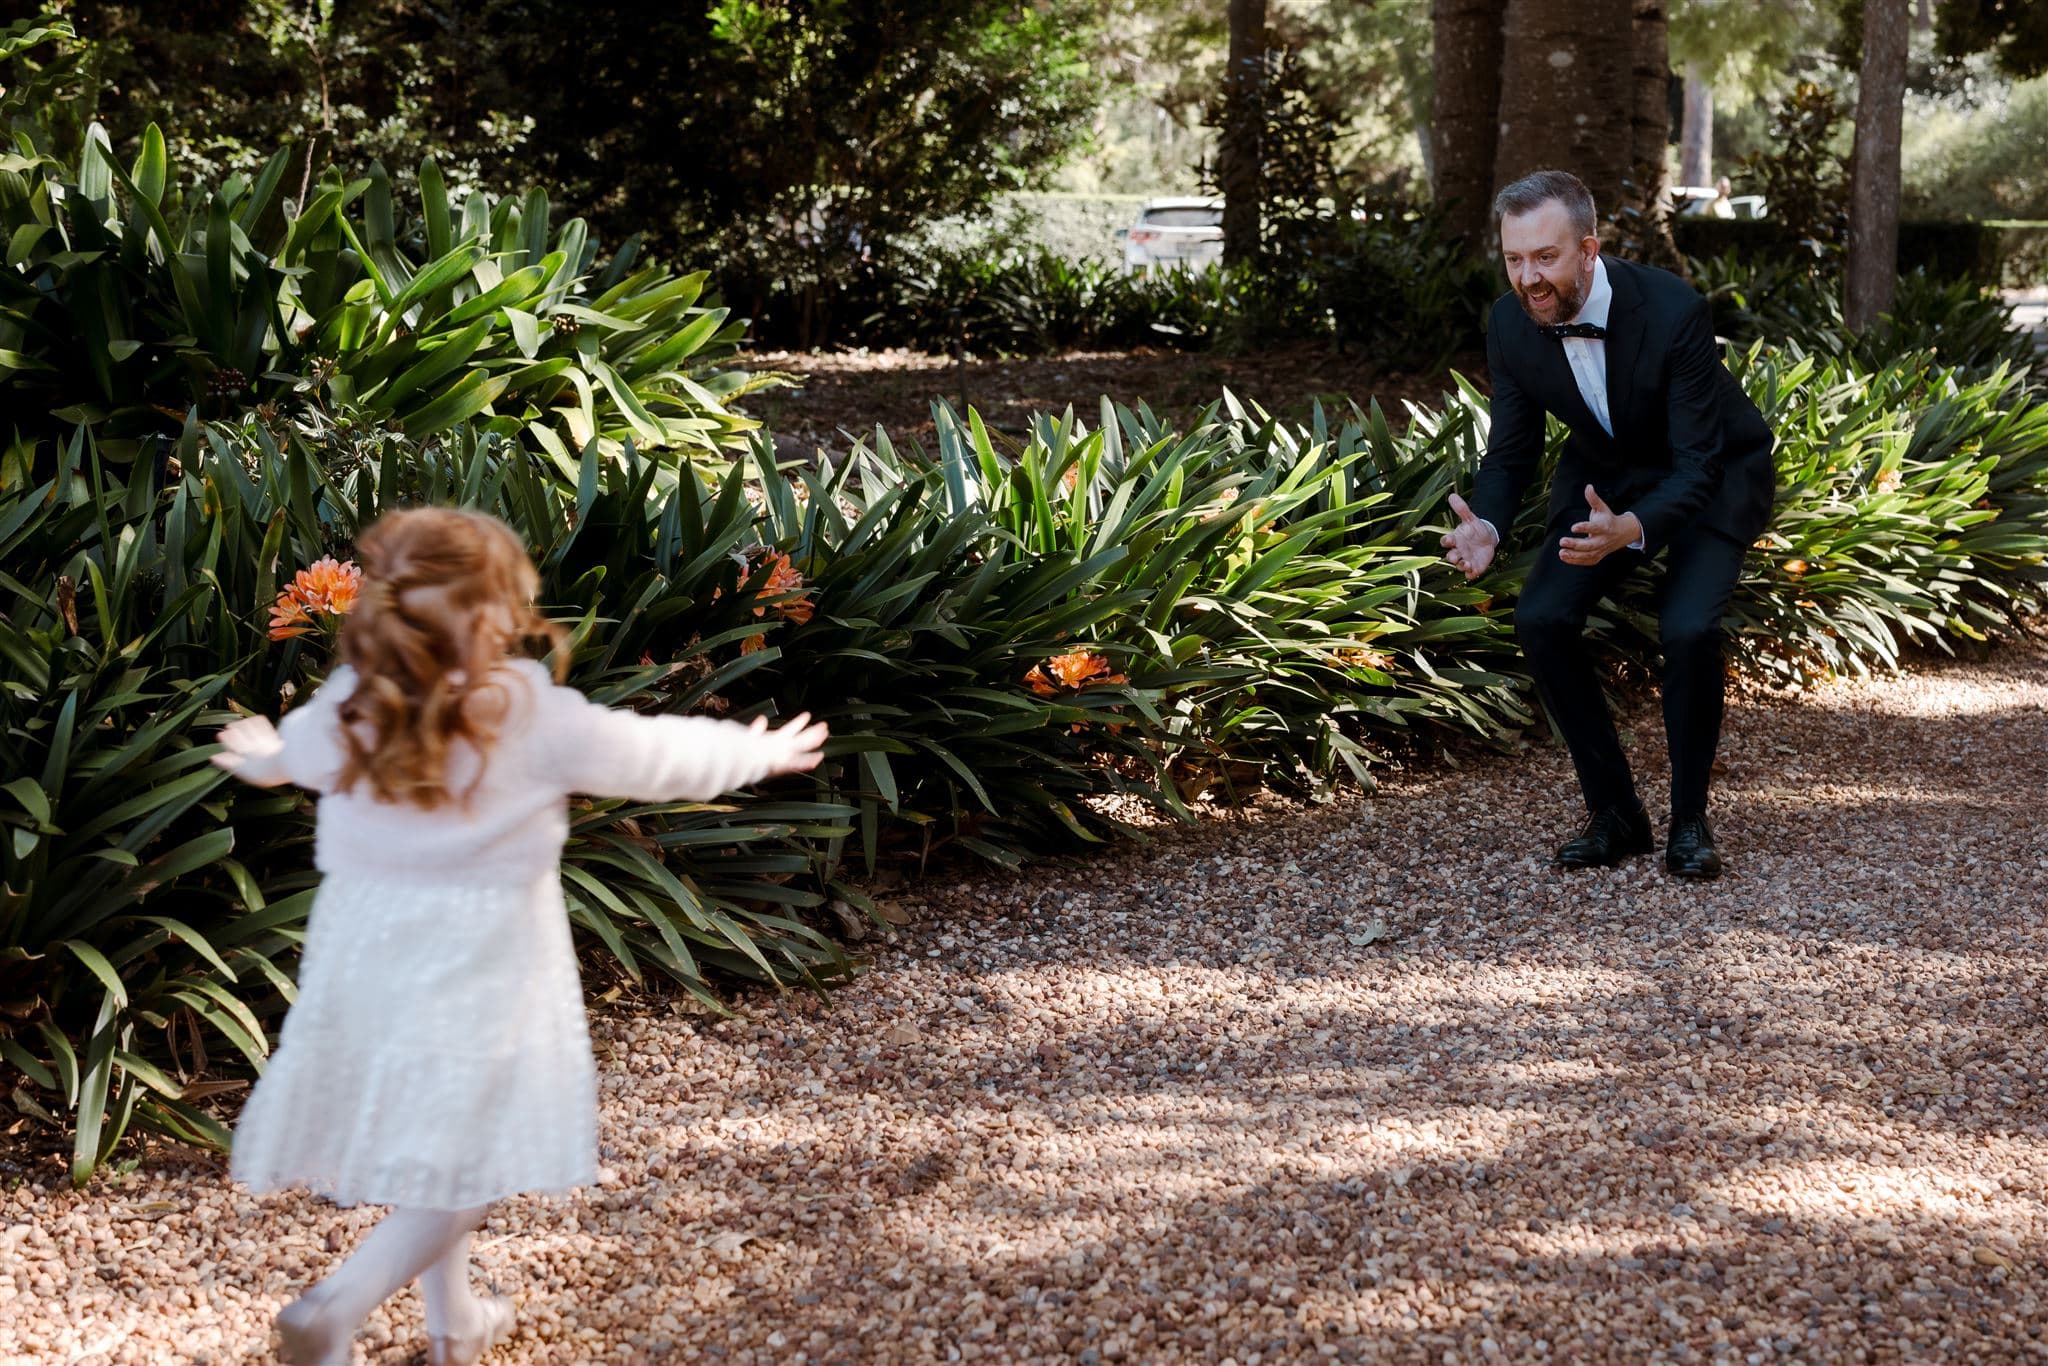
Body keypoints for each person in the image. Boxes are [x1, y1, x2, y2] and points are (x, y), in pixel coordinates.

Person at [210, 507, 828, 1365]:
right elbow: (649, 756)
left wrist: (256, 755)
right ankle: (334, 1307)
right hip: (487, 958)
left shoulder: (353, 703)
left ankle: (454, 1321)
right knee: (473, 1160)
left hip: (367, 952)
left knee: (442, 1139)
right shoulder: (525, 710)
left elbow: (292, 758)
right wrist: (752, 753)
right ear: (499, 610)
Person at [1439, 169, 1775, 880]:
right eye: (1514, 259)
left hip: (1714, 474)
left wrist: (1636, 527)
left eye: (1546, 257)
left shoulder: (1671, 306)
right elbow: (1513, 447)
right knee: (1542, 617)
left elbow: (1697, 462)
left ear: (1588, 249)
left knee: (1687, 628)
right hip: (1607, 477)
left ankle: (1690, 822)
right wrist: (1489, 525)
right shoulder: (1509, 322)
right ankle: (1616, 814)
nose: (1528, 277)